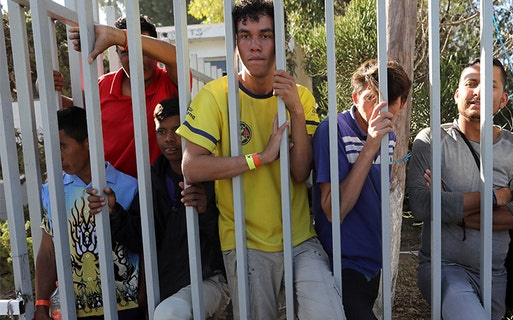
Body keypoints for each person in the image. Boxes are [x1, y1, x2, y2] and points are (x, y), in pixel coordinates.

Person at [176, 0, 345, 319]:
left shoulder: (300, 96)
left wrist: (295, 109)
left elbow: (299, 173)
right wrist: (259, 158)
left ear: (279, 43)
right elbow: (192, 166)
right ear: (235, 42)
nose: (255, 45)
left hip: (299, 237)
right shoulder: (217, 95)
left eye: (265, 35)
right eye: (245, 35)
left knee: (329, 312)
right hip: (245, 241)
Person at [406, 58, 513, 319]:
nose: (478, 91)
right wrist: (497, 197)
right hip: (445, 268)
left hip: (496, 274)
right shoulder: (431, 139)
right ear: (457, 94)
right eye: (471, 84)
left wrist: (454, 211)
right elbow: (421, 204)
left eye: (489, 85)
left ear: (503, 99)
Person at [86, 98, 230, 319]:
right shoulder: (153, 179)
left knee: (169, 313)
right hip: (166, 286)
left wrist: (206, 211)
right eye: (161, 132)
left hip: (211, 280)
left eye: (177, 130)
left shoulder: (215, 173)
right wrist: (114, 212)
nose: (169, 139)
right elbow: (139, 238)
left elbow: (233, 236)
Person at [312, 59, 411, 319]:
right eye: (371, 97)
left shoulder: (389, 136)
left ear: (401, 105)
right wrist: (370, 146)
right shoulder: (332, 131)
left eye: (388, 101)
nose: (379, 109)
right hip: (341, 263)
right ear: (355, 97)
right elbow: (334, 210)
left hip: (373, 261)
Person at [34, 106, 142, 319]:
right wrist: (41, 304)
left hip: (126, 306)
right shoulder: (52, 191)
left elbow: (145, 247)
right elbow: (48, 251)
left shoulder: (129, 187)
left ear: (88, 142)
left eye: (63, 146)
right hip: (73, 309)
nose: (58, 155)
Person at [64, 15, 181, 177]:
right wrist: (49, 89)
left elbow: (178, 57)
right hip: (110, 190)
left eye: (144, 51)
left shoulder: (171, 82)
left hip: (158, 192)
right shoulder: (102, 85)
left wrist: (118, 36)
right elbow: (78, 115)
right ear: (117, 53)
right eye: (126, 52)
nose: (136, 60)